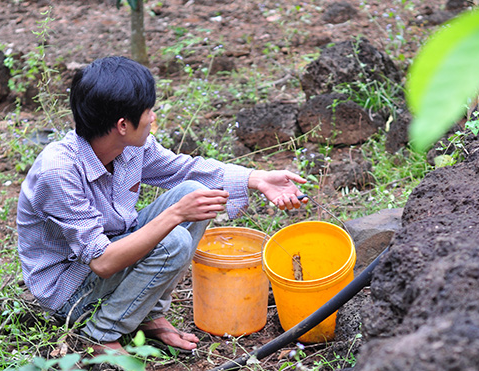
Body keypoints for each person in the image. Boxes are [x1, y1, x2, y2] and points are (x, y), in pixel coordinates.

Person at [16, 56, 306, 355]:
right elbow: (102, 263)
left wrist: (257, 179)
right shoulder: (59, 171)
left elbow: (185, 170)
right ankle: (100, 334)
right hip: (70, 289)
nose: (153, 117)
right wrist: (175, 214)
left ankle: (148, 316)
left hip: (110, 253)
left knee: (194, 190)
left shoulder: (128, 147)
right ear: (122, 125)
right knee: (174, 239)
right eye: (148, 111)